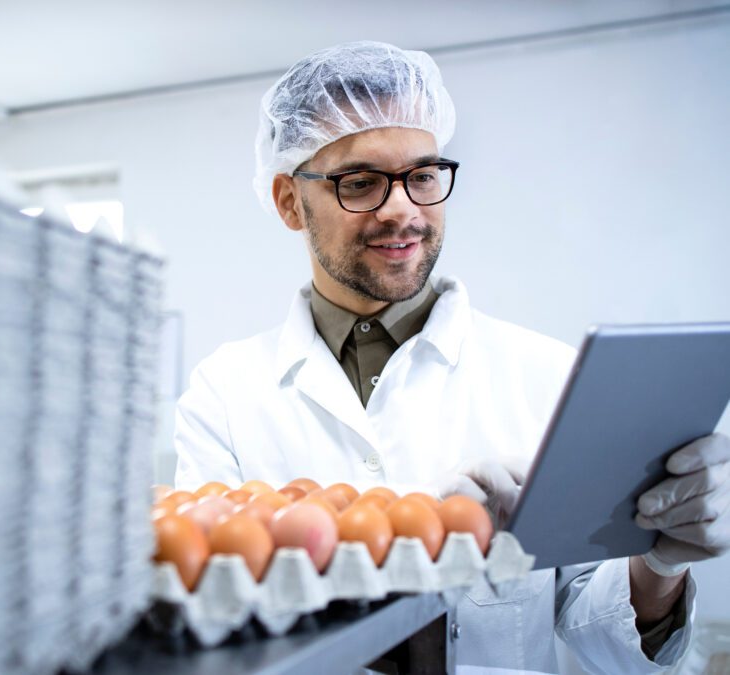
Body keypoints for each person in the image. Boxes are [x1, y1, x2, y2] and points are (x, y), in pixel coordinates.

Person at [173, 41, 729, 673]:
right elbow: (207, 622)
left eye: (423, 175)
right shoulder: (224, 393)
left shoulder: (546, 375)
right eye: (360, 183)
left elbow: (597, 633)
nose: (403, 209)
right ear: (287, 201)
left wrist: (660, 562)